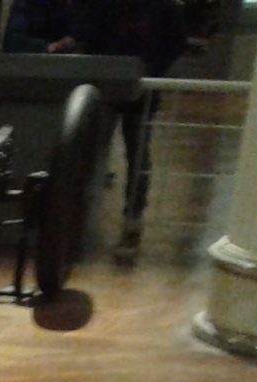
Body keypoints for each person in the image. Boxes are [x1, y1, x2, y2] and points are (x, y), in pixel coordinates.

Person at [48, 0, 189, 246]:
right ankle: (93, 211)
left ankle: (128, 212)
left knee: (133, 153)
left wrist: (150, 70)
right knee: (111, 151)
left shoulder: (160, 7)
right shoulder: (158, 7)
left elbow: (174, 43)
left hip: (131, 88)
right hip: (113, 85)